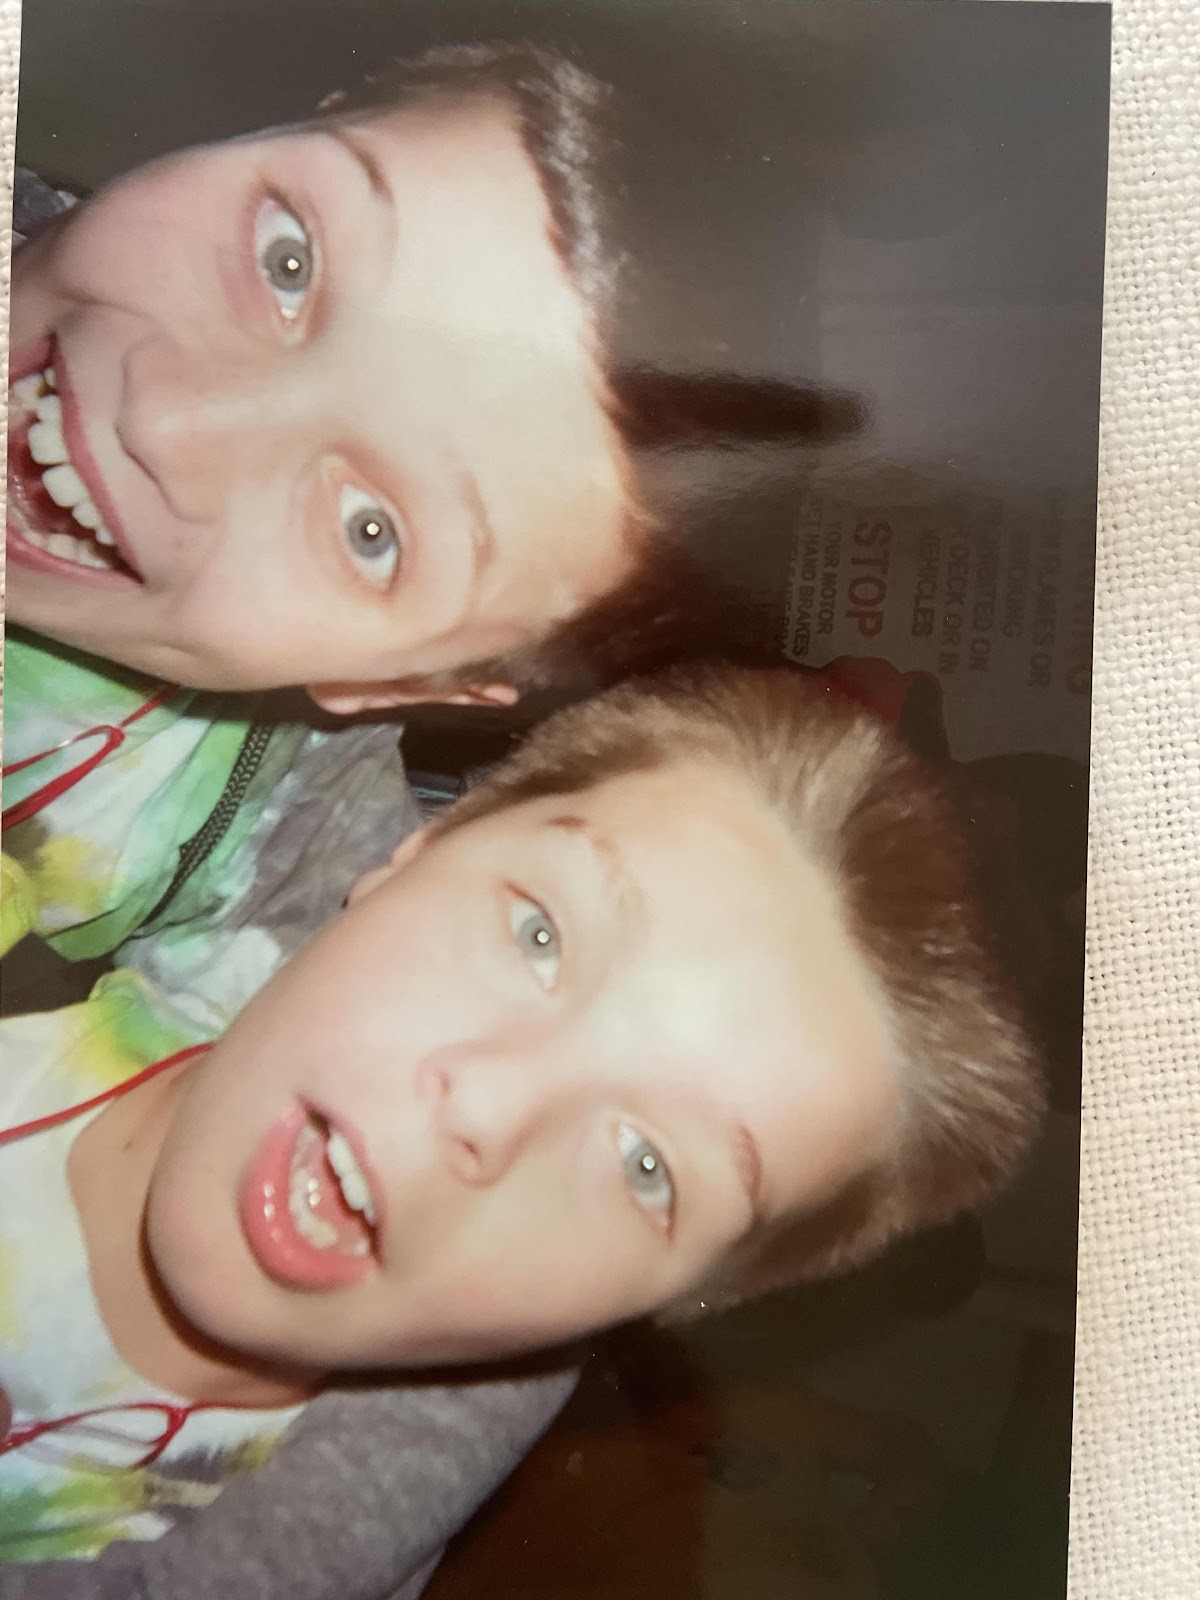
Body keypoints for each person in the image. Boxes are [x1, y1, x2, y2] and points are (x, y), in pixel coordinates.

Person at [0, 662, 1044, 1568]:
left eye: (648, 1166)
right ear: (417, 850)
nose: (492, 1111)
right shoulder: (181, 850)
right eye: (539, 936)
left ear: (666, 1304)